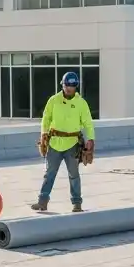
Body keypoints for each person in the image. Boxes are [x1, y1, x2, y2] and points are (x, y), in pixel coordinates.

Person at [32, 71, 94, 212]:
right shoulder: (53, 100)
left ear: (76, 86)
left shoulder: (81, 103)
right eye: (67, 85)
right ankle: (42, 202)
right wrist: (44, 134)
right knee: (49, 173)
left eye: (72, 86)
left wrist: (91, 139)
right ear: (62, 85)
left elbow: (88, 123)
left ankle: (77, 203)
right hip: (54, 143)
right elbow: (46, 118)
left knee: (74, 175)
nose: (69, 88)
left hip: (72, 144)